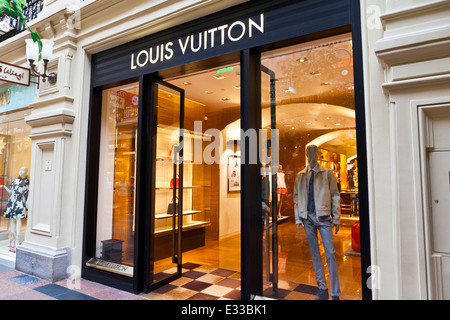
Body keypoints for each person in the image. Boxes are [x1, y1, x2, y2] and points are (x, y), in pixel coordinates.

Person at [293, 145, 341, 300]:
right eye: (309, 152)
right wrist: (298, 218)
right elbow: (296, 198)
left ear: (318, 154)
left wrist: (337, 217)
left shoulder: (327, 173)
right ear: (306, 154)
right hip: (308, 219)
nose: (312, 155)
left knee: (330, 253)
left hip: (324, 218)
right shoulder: (300, 175)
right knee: (315, 254)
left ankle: (335, 292)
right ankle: (322, 288)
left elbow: (335, 195)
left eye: (315, 152)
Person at [1, 167, 30, 252]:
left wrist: (28, 201)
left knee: (18, 218)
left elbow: (30, 191)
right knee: (12, 219)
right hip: (12, 199)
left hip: (20, 200)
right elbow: (11, 192)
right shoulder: (15, 181)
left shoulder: (27, 182)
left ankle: (18, 238)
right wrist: (4, 187)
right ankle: (12, 240)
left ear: (26, 172)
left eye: (24, 170)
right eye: (20, 170)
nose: (21, 172)